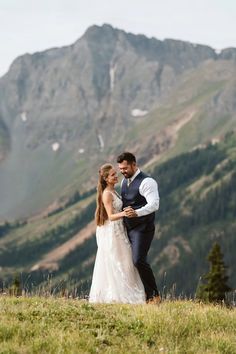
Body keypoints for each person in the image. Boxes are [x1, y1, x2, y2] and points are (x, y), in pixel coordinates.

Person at [89, 163, 146, 304]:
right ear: (106, 179)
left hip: (119, 230)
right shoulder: (107, 194)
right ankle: (119, 294)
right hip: (113, 232)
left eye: (115, 173)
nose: (116, 176)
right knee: (119, 260)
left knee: (125, 260)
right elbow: (110, 216)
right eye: (113, 175)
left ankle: (128, 290)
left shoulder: (113, 191)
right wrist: (125, 213)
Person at [117, 152, 161, 304]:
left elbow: (154, 204)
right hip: (126, 229)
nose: (122, 171)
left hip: (143, 228)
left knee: (138, 260)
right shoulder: (124, 182)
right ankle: (137, 296)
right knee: (126, 262)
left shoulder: (147, 182)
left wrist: (137, 213)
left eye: (125, 168)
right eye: (120, 169)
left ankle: (154, 296)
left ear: (134, 164)